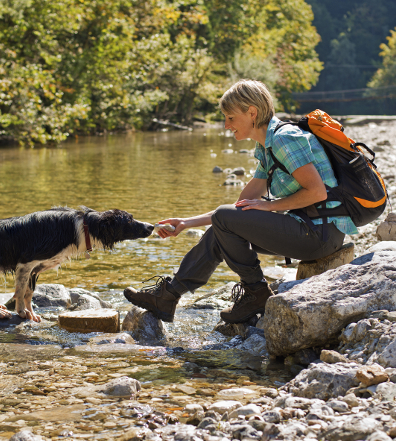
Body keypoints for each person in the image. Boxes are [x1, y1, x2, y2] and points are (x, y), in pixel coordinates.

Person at [124, 79, 358, 324]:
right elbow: (237, 210)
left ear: (252, 113)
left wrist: (269, 206)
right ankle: (169, 296)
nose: (226, 125)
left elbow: (317, 192)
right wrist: (186, 222)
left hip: (320, 235)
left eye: (231, 118)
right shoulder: (268, 146)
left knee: (225, 221)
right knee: (223, 226)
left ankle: (256, 292)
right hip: (308, 230)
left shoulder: (284, 139)